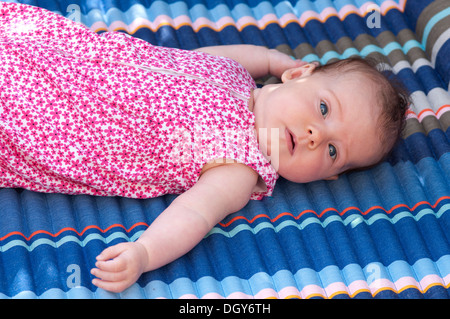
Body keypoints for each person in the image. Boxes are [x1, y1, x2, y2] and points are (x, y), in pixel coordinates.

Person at [0, 3, 408, 292]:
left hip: (64, 118)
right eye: (323, 108)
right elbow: (207, 59)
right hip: (74, 57)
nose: (316, 135)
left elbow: (194, 213)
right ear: (298, 74)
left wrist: (144, 253)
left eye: (333, 151)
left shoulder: (244, 161)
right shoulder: (236, 75)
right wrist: (271, 59)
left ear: (329, 175)